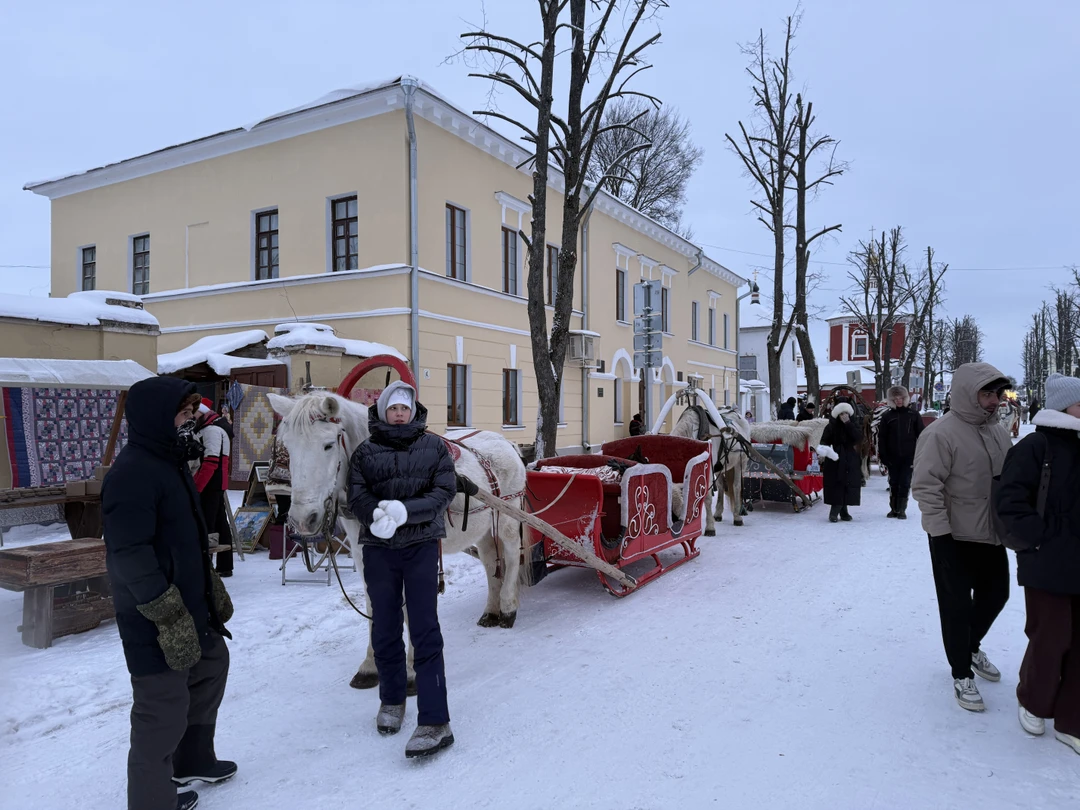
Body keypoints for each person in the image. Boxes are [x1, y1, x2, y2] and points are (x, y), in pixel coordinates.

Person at [102, 377, 236, 810]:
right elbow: (128, 552)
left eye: (193, 413)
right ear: (158, 417)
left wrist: (207, 583)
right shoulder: (132, 473)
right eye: (184, 413)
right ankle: (152, 801)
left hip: (189, 606)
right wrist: (165, 613)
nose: (192, 421)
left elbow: (185, 535)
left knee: (212, 663)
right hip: (153, 614)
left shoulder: (171, 461)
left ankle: (192, 758)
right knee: (161, 707)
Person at [348, 381, 457, 758]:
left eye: (404, 408)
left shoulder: (433, 447)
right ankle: (392, 700)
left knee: (424, 630)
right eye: (392, 408)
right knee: (384, 626)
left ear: (413, 411)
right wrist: (375, 515)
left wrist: (406, 512)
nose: (398, 414)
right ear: (382, 412)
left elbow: (444, 490)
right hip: (379, 549)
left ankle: (435, 721)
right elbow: (357, 493)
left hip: (420, 545)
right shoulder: (365, 452)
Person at [912, 362, 1012, 713]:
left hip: (990, 533)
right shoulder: (941, 434)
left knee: (997, 594)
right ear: (968, 393)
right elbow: (926, 486)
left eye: (996, 394)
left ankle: (969, 646)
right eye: (986, 393)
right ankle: (960, 672)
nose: (994, 401)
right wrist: (940, 534)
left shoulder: (999, 432)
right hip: (951, 534)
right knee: (955, 605)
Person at [993, 373, 1080, 755]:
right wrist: (1038, 539)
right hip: (1048, 562)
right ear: (1064, 406)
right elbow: (1009, 501)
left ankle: (1072, 717)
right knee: (1051, 636)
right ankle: (1034, 700)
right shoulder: (1035, 445)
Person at [193, 398, 234, 577]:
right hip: (214, 482)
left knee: (208, 524)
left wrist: (197, 486)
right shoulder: (212, 428)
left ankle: (208, 566)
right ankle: (224, 566)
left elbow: (211, 462)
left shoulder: (212, 430)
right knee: (219, 523)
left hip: (210, 483)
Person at [878, 384, 924, 519]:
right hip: (892, 456)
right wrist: (883, 455)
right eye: (895, 398)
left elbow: (921, 435)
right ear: (891, 400)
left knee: (905, 482)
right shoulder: (887, 416)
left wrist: (919, 454)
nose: (898, 400)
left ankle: (902, 509)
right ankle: (893, 509)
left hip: (909, 456)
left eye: (901, 398)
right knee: (893, 483)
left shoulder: (913, 415)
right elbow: (882, 438)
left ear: (905, 399)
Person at [817, 400, 862, 522]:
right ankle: (834, 512)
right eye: (841, 414)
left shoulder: (853, 424)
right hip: (835, 458)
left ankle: (844, 511)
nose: (844, 416)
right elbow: (824, 441)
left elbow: (858, 438)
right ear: (837, 415)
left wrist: (848, 424)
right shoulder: (831, 426)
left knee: (847, 483)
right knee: (837, 483)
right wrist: (827, 452)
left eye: (846, 413)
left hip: (850, 457)